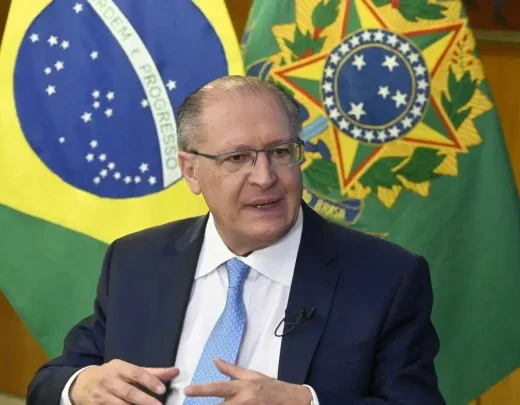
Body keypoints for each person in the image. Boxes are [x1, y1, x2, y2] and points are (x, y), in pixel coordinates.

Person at [27, 76, 446, 405]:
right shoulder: (136, 260)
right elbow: (49, 382)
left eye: (280, 152)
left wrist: (305, 402)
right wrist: (81, 386)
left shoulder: (385, 279)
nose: (265, 177)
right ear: (191, 171)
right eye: (237, 158)